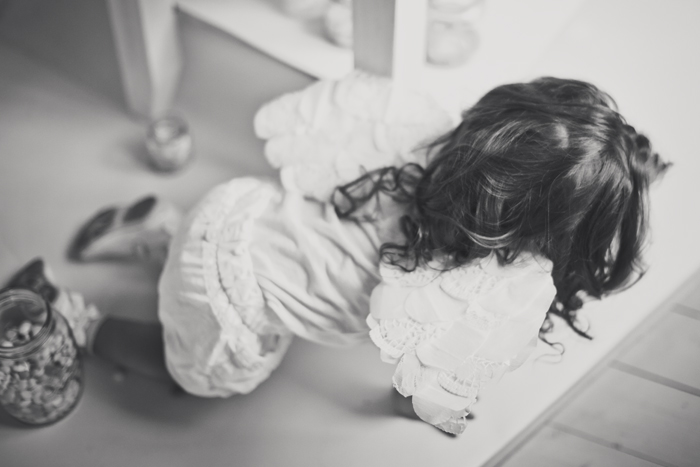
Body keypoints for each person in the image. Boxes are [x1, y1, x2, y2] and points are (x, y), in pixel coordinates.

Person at [6, 74, 669, 435]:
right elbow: (419, 388)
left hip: (237, 209)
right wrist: (429, 409)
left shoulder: (425, 132)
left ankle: (163, 230)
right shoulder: (479, 289)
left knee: (216, 262)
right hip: (223, 286)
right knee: (202, 378)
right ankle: (74, 317)